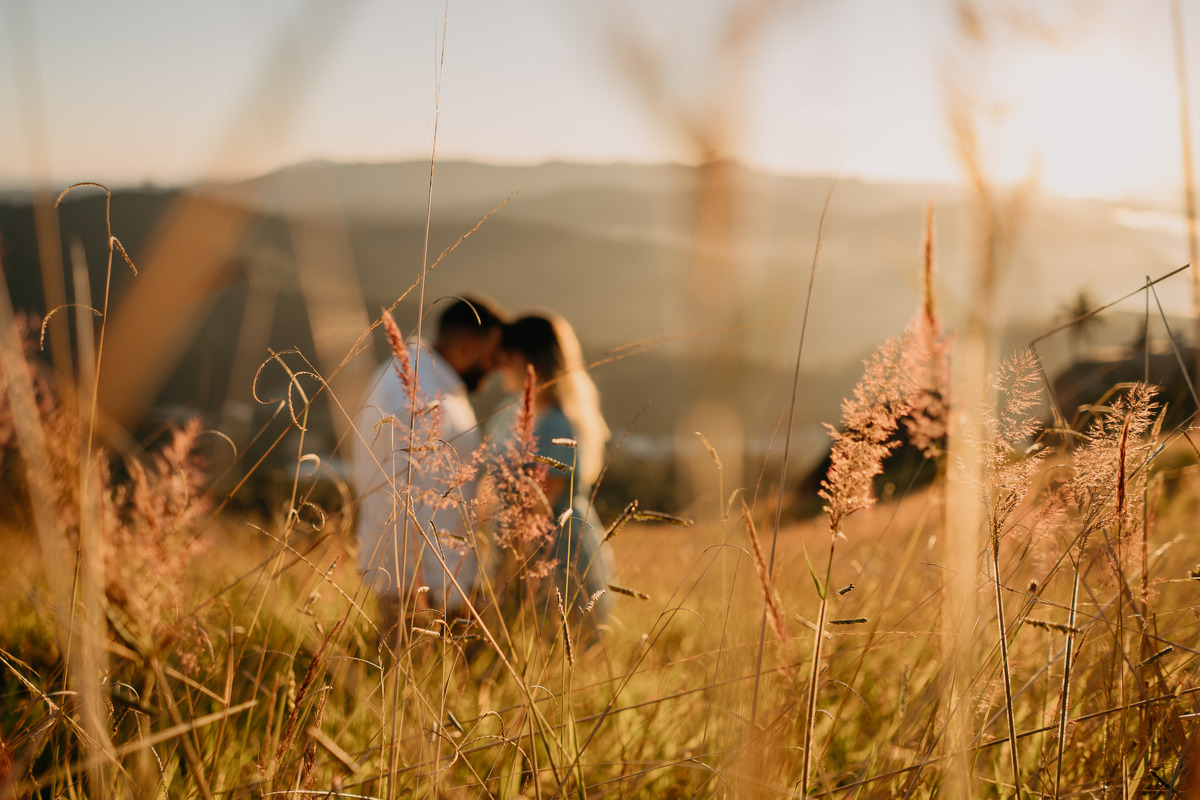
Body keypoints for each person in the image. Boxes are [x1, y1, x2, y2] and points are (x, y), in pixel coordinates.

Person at [351, 296, 507, 643]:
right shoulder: (413, 391)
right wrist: (417, 585)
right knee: (402, 685)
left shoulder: (437, 382)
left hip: (443, 575)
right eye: (492, 356)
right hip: (416, 583)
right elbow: (402, 492)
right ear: (468, 346)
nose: (496, 367)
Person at [487, 312, 614, 633]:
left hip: (554, 558)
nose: (498, 364)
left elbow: (537, 510)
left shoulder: (558, 424)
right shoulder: (510, 414)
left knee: (551, 649)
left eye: (507, 356)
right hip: (517, 556)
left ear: (531, 360)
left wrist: (503, 575)